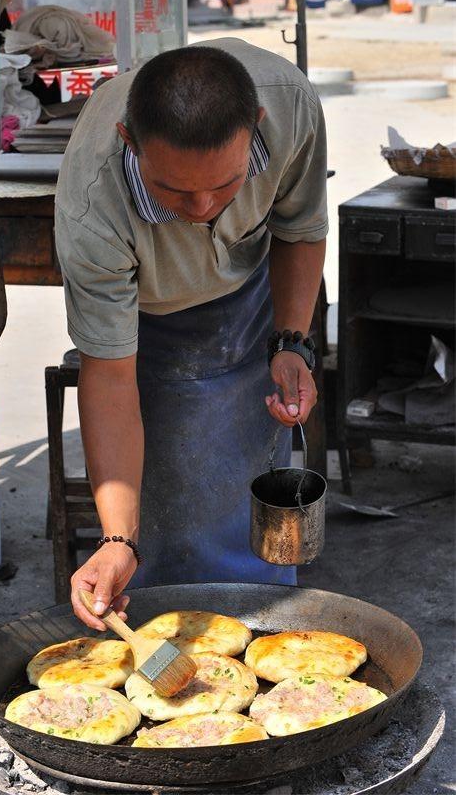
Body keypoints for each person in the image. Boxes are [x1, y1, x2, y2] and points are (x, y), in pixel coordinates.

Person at [54, 38, 327, 631]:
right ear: (131, 142)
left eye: (226, 184)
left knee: (249, 472)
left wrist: (291, 344)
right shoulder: (91, 209)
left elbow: (300, 229)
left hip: (252, 283)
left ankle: (268, 625)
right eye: (175, 191)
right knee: (171, 498)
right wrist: (116, 538)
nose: (203, 206)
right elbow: (109, 378)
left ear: (255, 128)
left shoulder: (291, 107)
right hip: (150, 319)